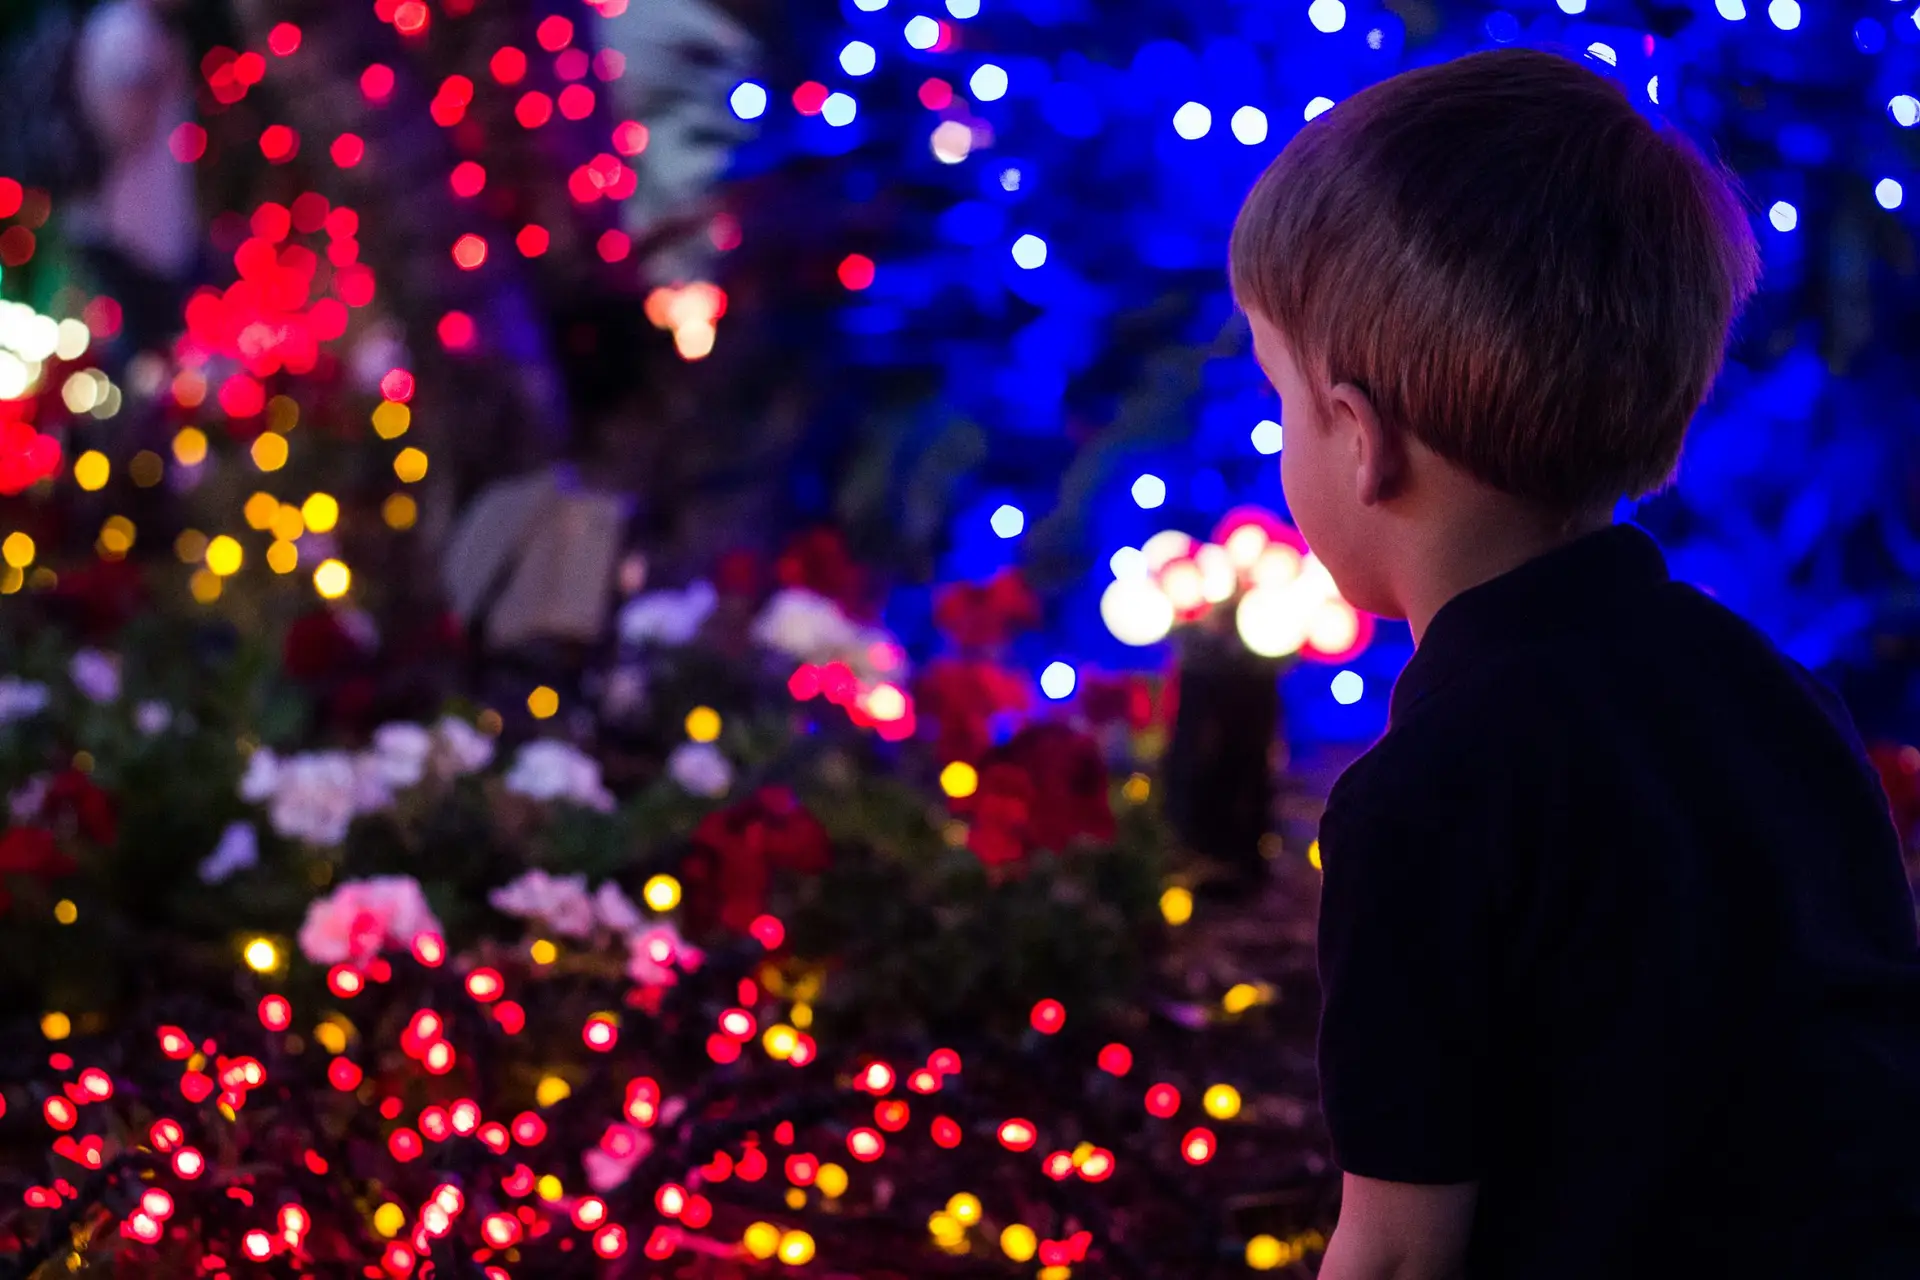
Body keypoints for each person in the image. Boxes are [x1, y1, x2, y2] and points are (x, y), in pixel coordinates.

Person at [1230, 47, 1920, 1279]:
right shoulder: (1784, 706)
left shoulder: (1424, 802)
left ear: (1359, 439)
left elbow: (1396, 1255)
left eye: (1281, 402)